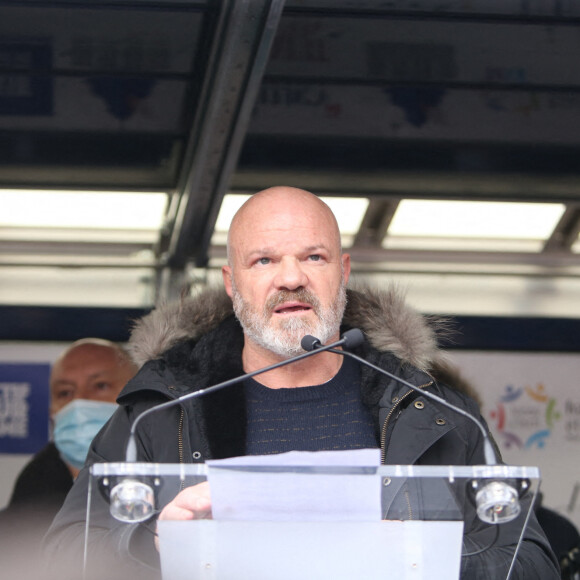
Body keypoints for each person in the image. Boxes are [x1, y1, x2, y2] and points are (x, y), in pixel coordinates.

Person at [43, 187, 560, 579]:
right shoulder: (159, 411)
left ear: (343, 271)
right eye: (264, 260)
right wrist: (152, 540)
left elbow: (532, 560)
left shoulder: (432, 411)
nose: (290, 278)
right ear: (231, 283)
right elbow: (62, 554)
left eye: (313, 257)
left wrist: (422, 554)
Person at [0, 338, 137, 578]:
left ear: (137, 394)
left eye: (100, 386)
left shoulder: (167, 466)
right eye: (65, 392)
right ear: (53, 411)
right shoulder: (31, 495)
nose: (80, 401)